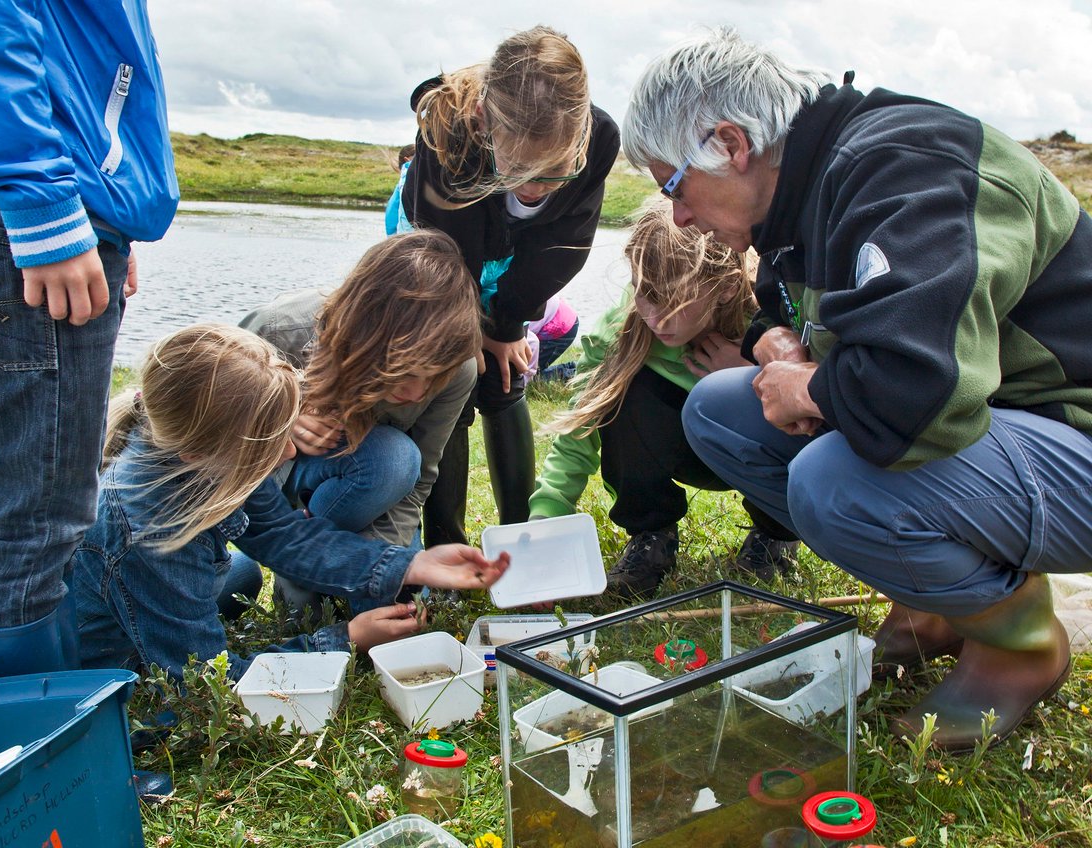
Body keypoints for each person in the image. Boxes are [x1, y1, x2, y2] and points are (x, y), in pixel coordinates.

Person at [623, 27, 1091, 751]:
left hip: (1071, 438)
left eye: (674, 187)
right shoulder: (800, 194)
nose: (677, 215)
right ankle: (937, 607)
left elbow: (920, 394)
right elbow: (796, 323)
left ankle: (1018, 641)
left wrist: (812, 392)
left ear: (731, 143)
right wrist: (770, 344)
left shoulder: (906, 169)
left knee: (833, 478)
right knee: (721, 410)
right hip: (999, 436)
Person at [0, 0, 179, 680]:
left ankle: (57, 715)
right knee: (40, 510)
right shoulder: (40, 209)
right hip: (29, 207)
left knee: (61, 498)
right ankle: (24, 766)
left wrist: (111, 211)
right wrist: (47, 209)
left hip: (78, 205)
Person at [72, 324, 509, 682]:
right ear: (200, 450)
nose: (289, 453)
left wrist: (410, 565)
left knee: (240, 574)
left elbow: (284, 534)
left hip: (146, 578)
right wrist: (344, 639)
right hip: (104, 665)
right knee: (214, 592)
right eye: (271, 440)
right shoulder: (150, 532)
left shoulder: (206, 460)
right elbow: (204, 683)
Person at [391, 25, 621, 547]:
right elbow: (445, 252)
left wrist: (509, 323)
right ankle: (444, 541)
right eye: (518, 169)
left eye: (553, 173)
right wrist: (465, 330)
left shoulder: (601, 138)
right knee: (449, 374)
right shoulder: (449, 132)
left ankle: (523, 534)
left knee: (503, 371)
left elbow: (565, 244)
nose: (535, 188)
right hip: (435, 248)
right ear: (483, 123)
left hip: (518, 250)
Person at [530, 208, 799, 597]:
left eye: (674, 302)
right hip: (685, 451)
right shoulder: (622, 328)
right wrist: (545, 524)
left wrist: (751, 373)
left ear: (724, 287)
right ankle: (651, 535)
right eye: (644, 294)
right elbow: (577, 434)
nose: (655, 318)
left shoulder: (772, 313)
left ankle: (775, 533)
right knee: (624, 386)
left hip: (752, 457)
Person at [237, 230, 480, 602]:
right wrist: (281, 420)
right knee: (392, 458)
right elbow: (212, 446)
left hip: (374, 491)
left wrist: (389, 566)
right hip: (279, 493)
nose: (417, 393)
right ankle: (300, 569)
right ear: (364, 332)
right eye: (403, 371)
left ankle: (329, 564)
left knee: (401, 603)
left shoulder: (458, 369)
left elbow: (419, 480)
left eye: (432, 377)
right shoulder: (274, 331)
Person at [385, 144, 417, 237]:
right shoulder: (407, 181)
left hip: (402, 235)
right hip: (409, 234)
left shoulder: (400, 185)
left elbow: (390, 215)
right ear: (407, 160)